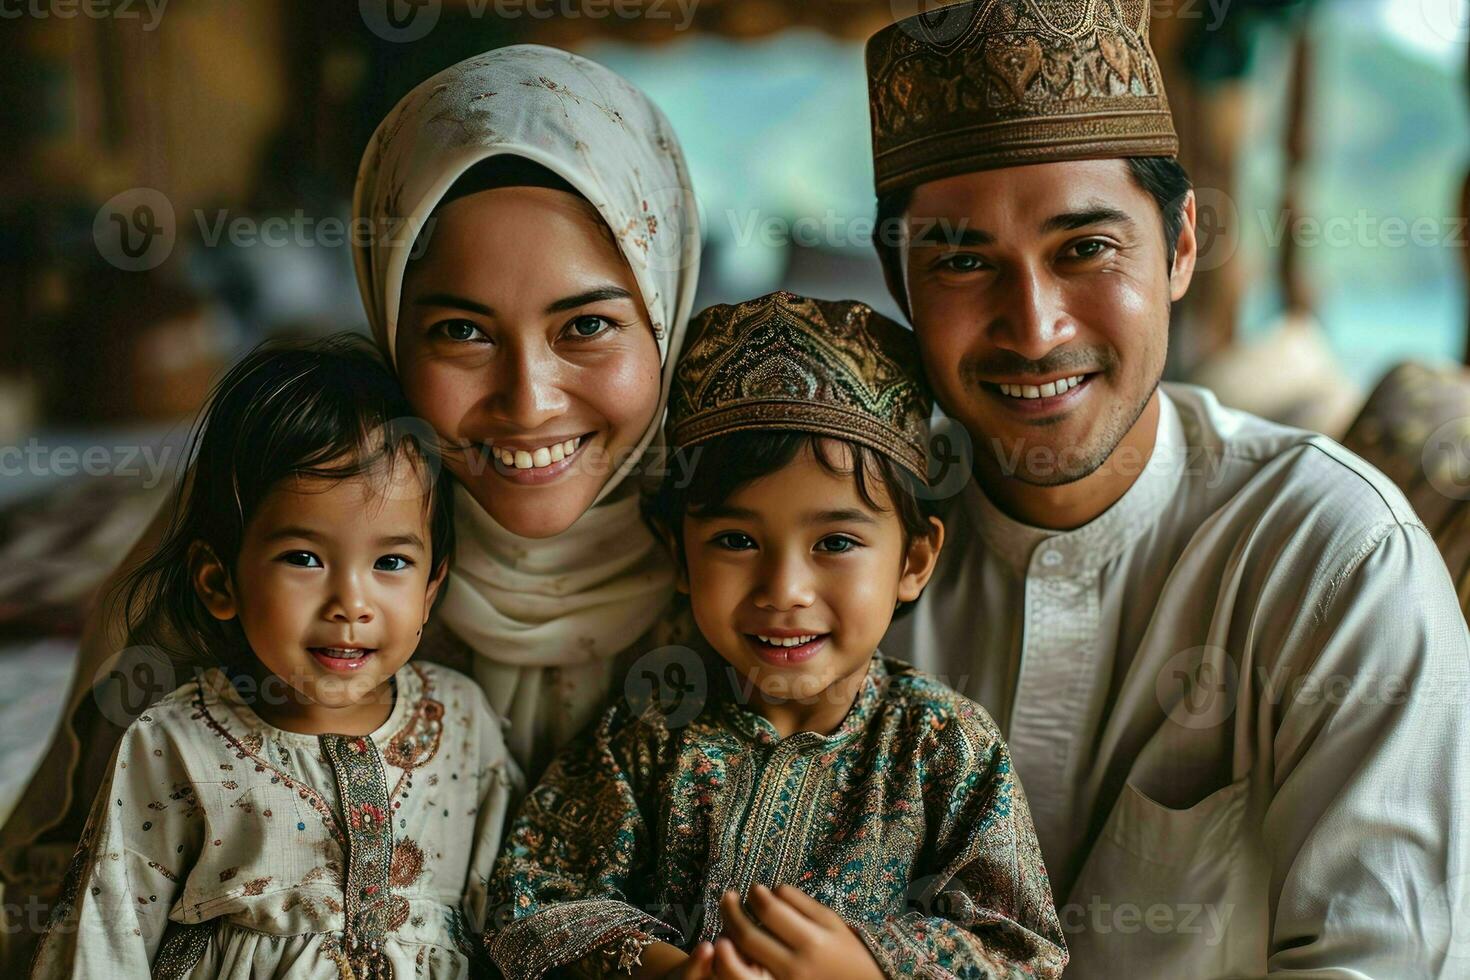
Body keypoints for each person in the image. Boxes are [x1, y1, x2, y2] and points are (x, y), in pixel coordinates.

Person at [1, 45, 701, 966]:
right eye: (460, 331)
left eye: (588, 326)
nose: (528, 400)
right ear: (388, 324)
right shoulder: (259, 519)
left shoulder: (747, 561)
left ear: (666, 310)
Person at [866, 1, 1470, 975]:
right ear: (899, 285)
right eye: (965, 261)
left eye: (1085, 249)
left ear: (1183, 244)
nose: (1035, 327)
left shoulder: (1336, 563)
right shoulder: (826, 558)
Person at [485, 292, 1067, 980]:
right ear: (679, 555)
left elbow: (1023, 951)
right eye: (736, 539)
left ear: (912, 561)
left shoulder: (944, 747)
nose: (784, 588)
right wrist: (673, 972)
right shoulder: (650, 729)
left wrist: (869, 969)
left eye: (836, 541)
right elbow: (532, 901)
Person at [29, 338, 521, 978]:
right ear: (219, 582)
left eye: (391, 563)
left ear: (431, 590)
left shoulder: (461, 720)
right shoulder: (176, 741)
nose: (351, 602)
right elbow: (106, 932)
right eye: (304, 558)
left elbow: (508, 911)